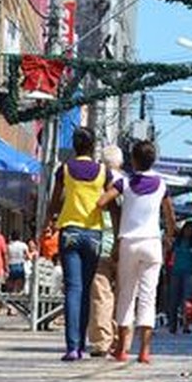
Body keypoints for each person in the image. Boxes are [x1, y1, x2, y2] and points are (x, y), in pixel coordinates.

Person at [99, 140, 175, 363]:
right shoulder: (162, 185)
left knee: (126, 295)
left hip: (128, 243)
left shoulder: (124, 182)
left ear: (133, 160)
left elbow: (102, 201)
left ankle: (122, 349)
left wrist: (121, 212)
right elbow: (170, 217)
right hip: (152, 243)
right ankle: (145, 351)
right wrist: (170, 234)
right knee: (148, 296)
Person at [48, 128, 110, 362]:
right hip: (94, 235)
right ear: (93, 146)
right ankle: (82, 344)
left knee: (73, 289)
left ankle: (72, 347)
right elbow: (112, 202)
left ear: (74, 146)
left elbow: (54, 201)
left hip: (70, 233)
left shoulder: (63, 170)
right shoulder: (104, 172)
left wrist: (47, 221)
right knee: (85, 289)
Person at [87, 144, 124, 358]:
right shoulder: (129, 183)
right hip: (124, 243)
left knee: (101, 294)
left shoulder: (97, 181)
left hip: (100, 241)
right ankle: (119, 339)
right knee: (122, 294)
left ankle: (102, 341)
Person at [167, 222, 192, 334]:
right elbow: (169, 254)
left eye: (191, 230)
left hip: (189, 273)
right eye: (187, 229)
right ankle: (172, 325)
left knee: (186, 300)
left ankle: (186, 325)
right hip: (176, 272)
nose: (188, 232)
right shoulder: (177, 242)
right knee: (173, 300)